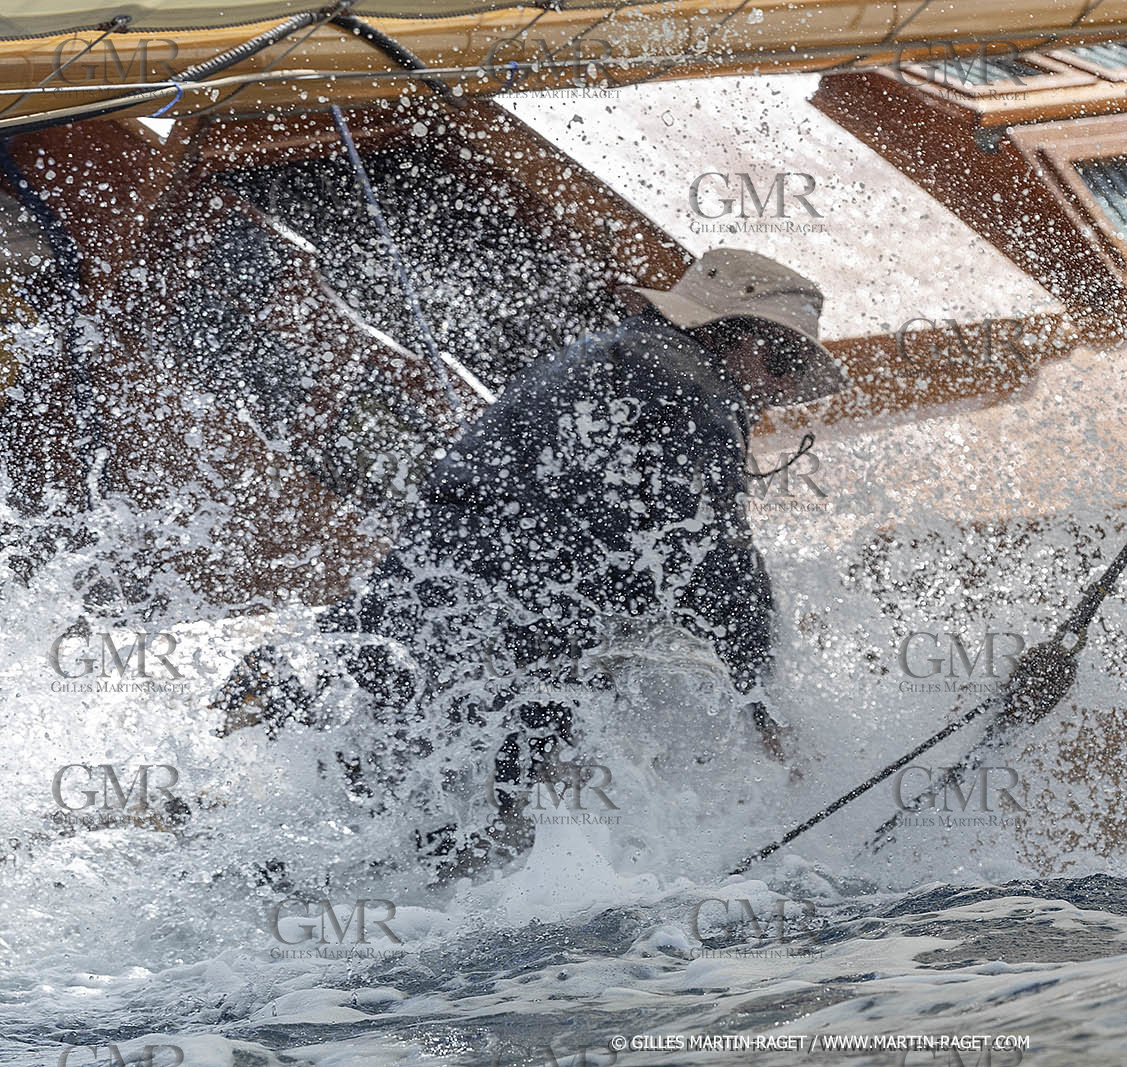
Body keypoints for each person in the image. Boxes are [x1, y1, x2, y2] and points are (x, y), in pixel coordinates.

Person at [212, 248, 845, 872]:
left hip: (417, 620)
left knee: (387, 829)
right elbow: (716, 565)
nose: (781, 388)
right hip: (498, 640)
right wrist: (769, 712)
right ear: (727, 337)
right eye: (782, 359)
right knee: (475, 850)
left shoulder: (608, 358)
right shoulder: (690, 391)